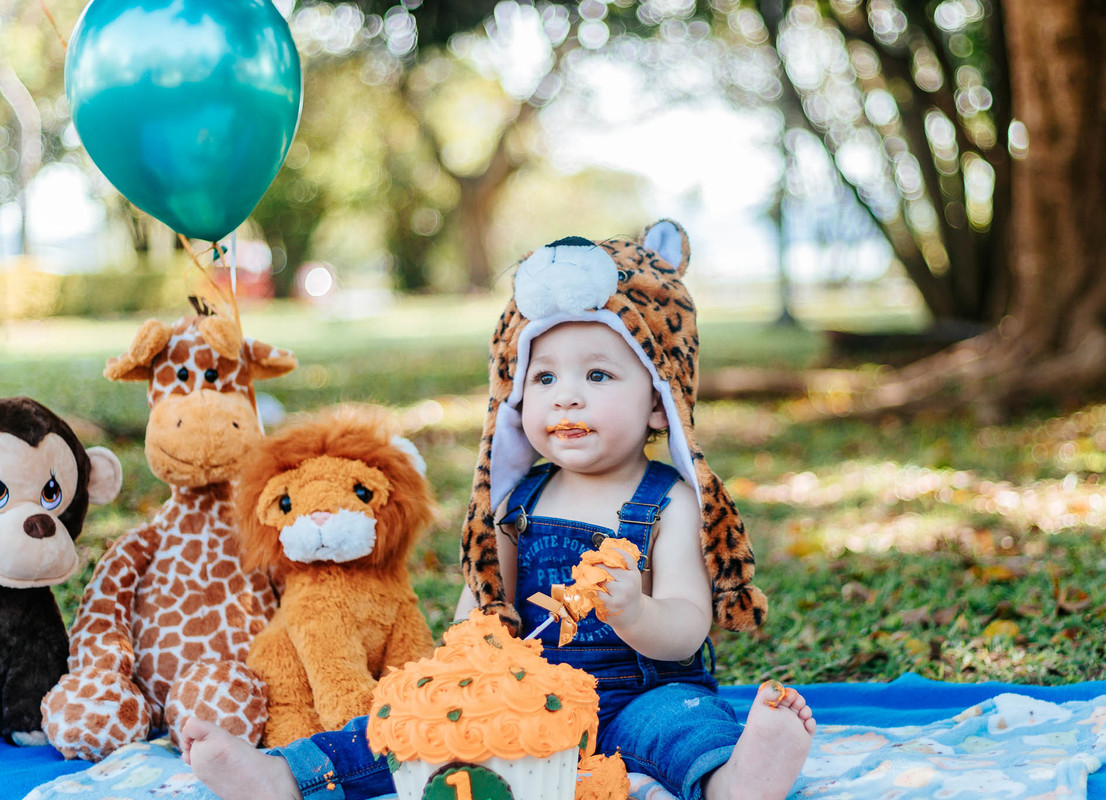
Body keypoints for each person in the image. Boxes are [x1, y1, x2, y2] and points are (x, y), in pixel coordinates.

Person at [182, 222, 817, 800]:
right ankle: (289, 775)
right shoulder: (519, 502)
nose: (567, 397)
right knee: (406, 726)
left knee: (684, 723)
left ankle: (736, 780)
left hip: (640, 691)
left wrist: (637, 611)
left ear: (660, 402)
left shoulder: (668, 500)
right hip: (521, 701)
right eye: (544, 380)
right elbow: (482, 603)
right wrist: (460, 667)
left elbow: (687, 627)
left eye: (597, 376)